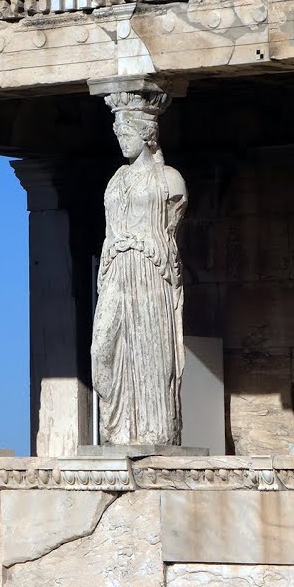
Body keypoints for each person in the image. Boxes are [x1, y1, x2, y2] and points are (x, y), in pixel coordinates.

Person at [91, 91, 187, 446]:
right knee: (102, 349)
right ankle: (117, 429)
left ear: (147, 134)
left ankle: (155, 432)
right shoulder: (115, 180)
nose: (121, 139)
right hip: (117, 268)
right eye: (117, 133)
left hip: (150, 270)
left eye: (127, 132)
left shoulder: (170, 181)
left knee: (152, 353)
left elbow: (170, 231)